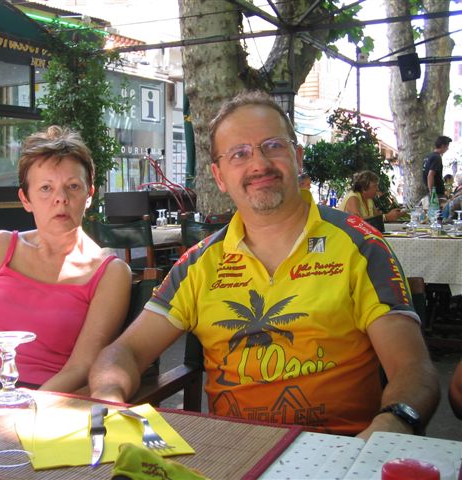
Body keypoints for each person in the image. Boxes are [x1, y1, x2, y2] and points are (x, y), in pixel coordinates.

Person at [89, 91, 440, 439]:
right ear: (220, 176)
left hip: (341, 450)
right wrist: (109, 397)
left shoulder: (361, 246)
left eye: (273, 145)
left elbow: (412, 368)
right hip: (232, 452)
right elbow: (125, 352)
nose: (259, 164)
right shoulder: (197, 265)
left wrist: (393, 422)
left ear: (297, 157)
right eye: (239, 154)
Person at [0, 126, 131, 392]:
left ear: (89, 195)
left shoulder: (110, 272)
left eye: (73, 186)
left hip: (46, 397)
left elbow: (81, 367)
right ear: (25, 199)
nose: (61, 199)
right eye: (46, 188)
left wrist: (28, 407)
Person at [337, 171, 402, 231]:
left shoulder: (369, 199)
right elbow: (357, 222)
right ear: (364, 188)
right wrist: (386, 217)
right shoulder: (353, 197)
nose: (377, 189)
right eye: (375, 186)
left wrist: (392, 215)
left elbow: (376, 218)